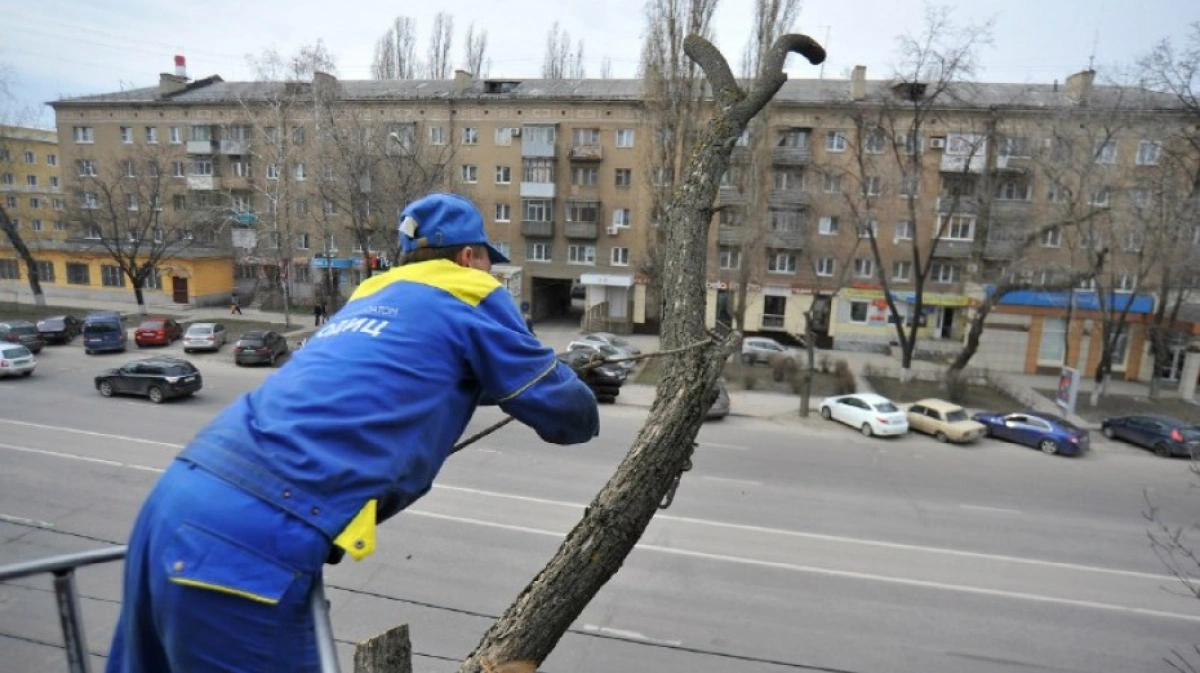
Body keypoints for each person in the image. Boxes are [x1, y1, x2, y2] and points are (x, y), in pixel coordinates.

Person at [105, 192, 600, 672]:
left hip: (172, 503)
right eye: (487, 261)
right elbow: (569, 416)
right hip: (250, 536)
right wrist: (572, 374)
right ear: (470, 256)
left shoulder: (370, 294)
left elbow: (412, 374)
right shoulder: (470, 290)